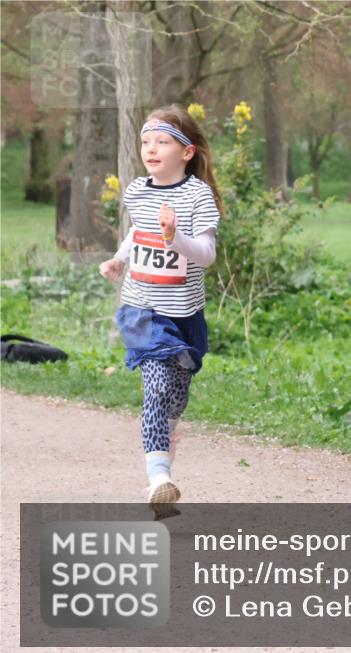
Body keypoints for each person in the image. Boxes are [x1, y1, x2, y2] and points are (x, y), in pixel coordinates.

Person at [98, 104, 222, 517]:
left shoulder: (197, 195)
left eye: (162, 142)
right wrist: (119, 259)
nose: (151, 149)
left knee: (174, 400)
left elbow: (205, 255)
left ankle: (162, 477)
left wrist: (176, 237)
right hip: (142, 310)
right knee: (155, 388)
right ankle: (158, 478)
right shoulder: (137, 190)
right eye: (146, 141)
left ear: (186, 152)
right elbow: (136, 232)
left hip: (185, 315)